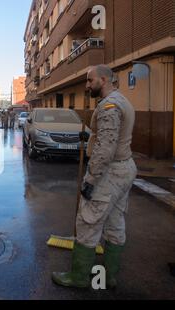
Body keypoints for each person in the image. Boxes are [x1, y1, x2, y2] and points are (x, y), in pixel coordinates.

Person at [52, 65, 137, 289]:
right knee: (115, 222)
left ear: (104, 79)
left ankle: (79, 278)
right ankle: (109, 276)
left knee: (89, 221)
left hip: (109, 173)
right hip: (124, 167)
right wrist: (90, 136)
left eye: (90, 81)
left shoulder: (109, 106)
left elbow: (106, 148)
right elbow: (108, 137)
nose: (87, 85)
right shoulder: (121, 100)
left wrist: (91, 179)